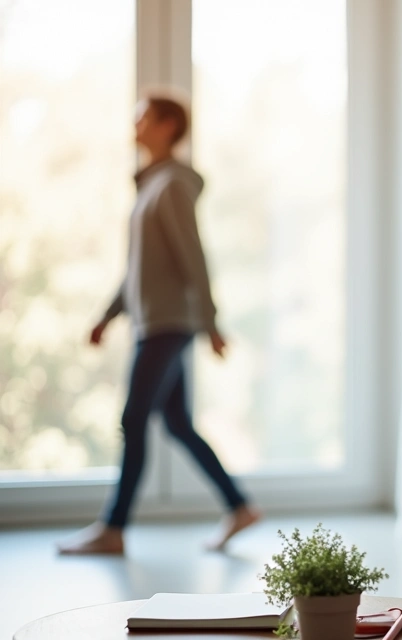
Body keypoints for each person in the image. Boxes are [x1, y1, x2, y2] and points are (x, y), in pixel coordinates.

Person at [56, 94, 260, 555]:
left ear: (169, 126)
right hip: (155, 321)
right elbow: (137, 270)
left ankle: (113, 529)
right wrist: (107, 317)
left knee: (134, 419)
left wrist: (210, 323)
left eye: (144, 115)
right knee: (176, 423)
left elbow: (193, 257)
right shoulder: (150, 185)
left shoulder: (171, 186)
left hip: (169, 323)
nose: (135, 121)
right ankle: (239, 507)